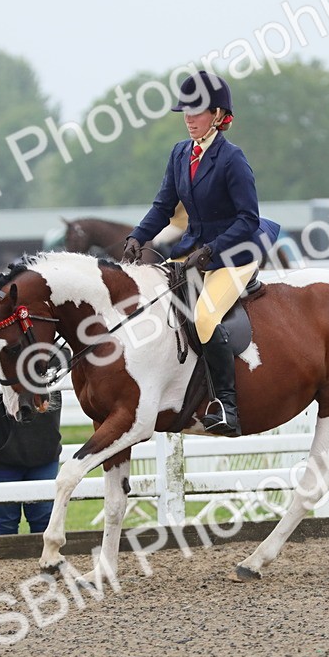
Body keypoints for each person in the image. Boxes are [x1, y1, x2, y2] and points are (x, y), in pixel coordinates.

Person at [121, 70, 279, 437]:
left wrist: (211, 250)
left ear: (219, 116)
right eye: (186, 113)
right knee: (159, 304)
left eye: (198, 112)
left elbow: (248, 218)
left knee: (206, 317)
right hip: (193, 249)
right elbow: (163, 206)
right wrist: (137, 237)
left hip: (234, 253)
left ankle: (227, 405)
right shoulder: (180, 154)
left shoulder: (232, 159)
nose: (189, 119)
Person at [0, 348, 62, 535]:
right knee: (5, 521)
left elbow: (58, 363)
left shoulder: (55, 350)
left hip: (42, 447)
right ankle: (3, 564)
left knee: (43, 520)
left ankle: (44, 562)